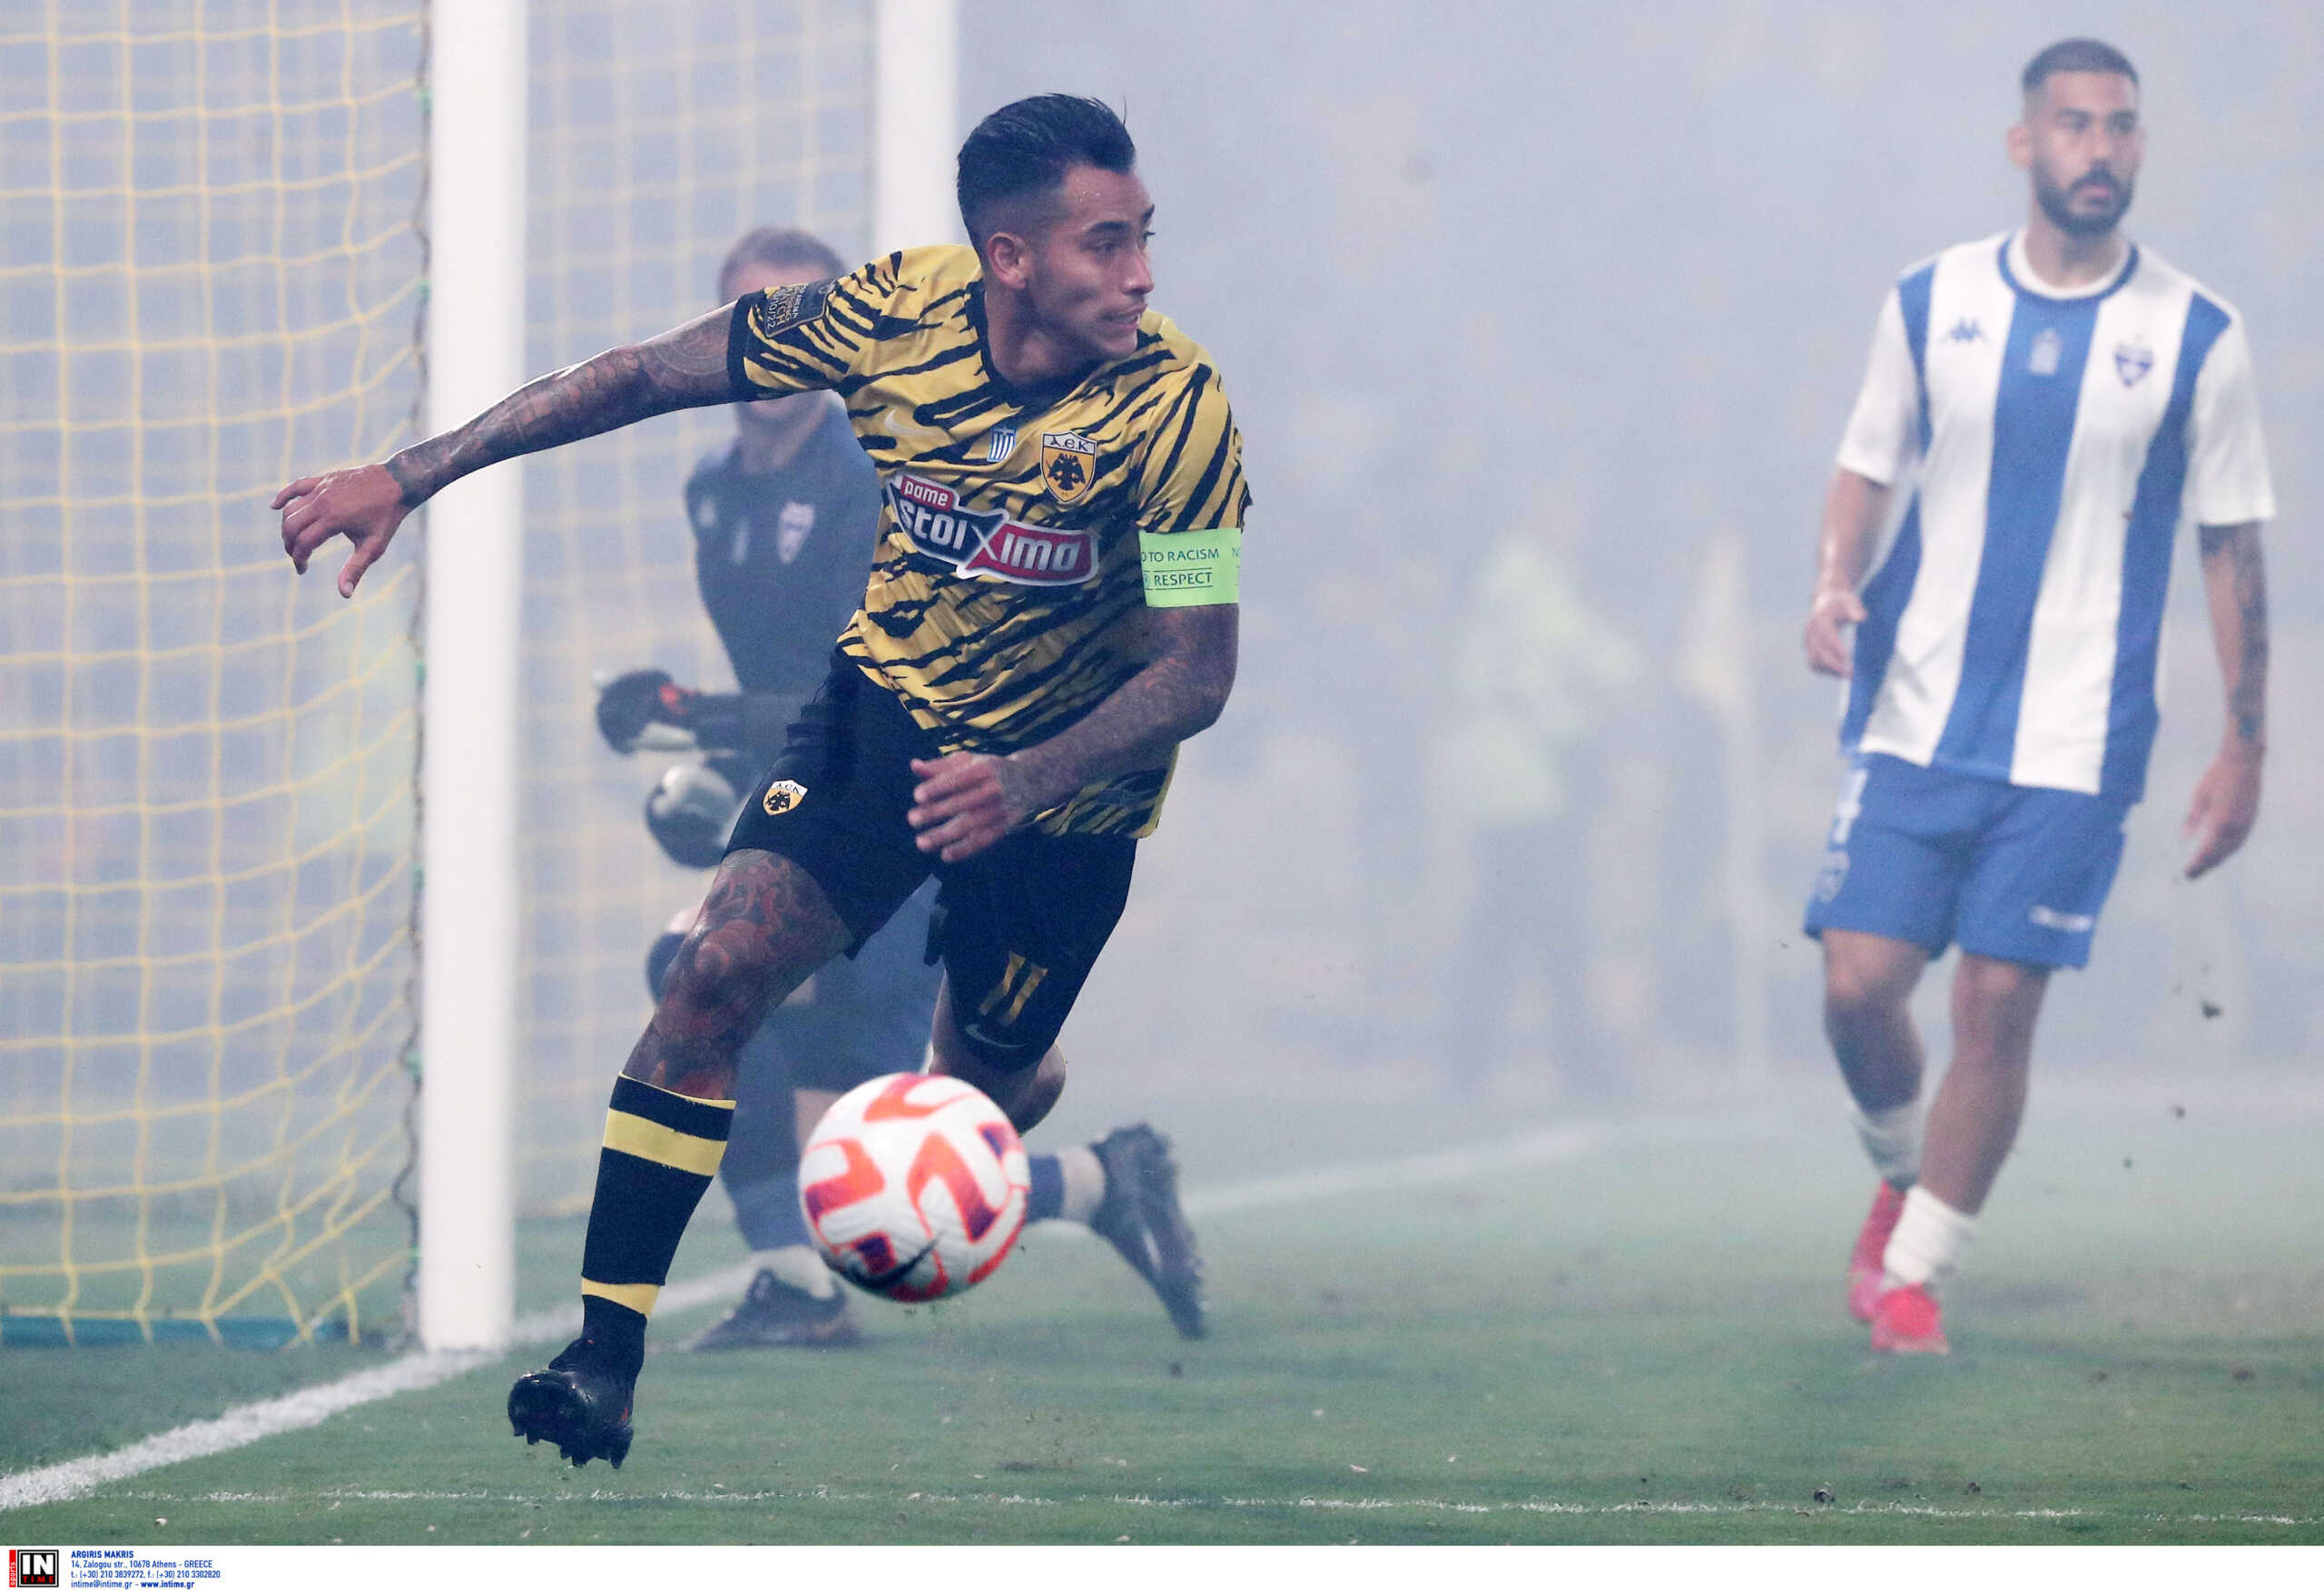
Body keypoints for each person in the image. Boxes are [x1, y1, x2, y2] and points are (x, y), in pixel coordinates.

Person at [275, 95, 1246, 1465]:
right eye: (1108, 244)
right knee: (711, 974)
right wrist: (410, 473)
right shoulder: (888, 314)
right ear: (1010, 257)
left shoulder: (1179, 411)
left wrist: (1024, 780)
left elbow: (1196, 672)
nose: (1141, 274)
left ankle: (1032, 1112)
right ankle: (602, 1362)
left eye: (1145, 239)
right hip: (881, 723)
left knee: (974, 1098)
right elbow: (640, 374)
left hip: (1067, 801)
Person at [595, 224, 1206, 1351]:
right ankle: (1078, 1188)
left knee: (868, 1122)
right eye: (751, 312)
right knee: (758, 1039)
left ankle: (1068, 1187)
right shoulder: (713, 490)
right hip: (821, 795)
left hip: (916, 806)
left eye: (797, 310)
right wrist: (717, 764)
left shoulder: (877, 475)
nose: (774, 337)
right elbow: (789, 680)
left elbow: (883, 684)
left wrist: (694, 716)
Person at [1799, 39, 2272, 1354]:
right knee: (1858, 983)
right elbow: (1865, 461)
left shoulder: (2197, 334)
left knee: (1997, 1002)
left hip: (2078, 733)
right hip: (1916, 709)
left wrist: (2245, 745)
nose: (2098, 148)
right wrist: (1833, 579)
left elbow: (2231, 544)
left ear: (2140, 146)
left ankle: (1915, 1278)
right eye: (2073, 124)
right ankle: (1902, 1175)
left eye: (2120, 126)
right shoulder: (1931, 299)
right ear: (2024, 144)